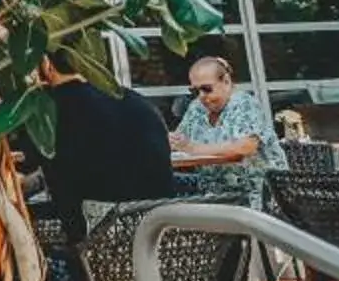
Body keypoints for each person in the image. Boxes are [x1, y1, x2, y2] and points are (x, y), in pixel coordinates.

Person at [21, 62, 175, 249]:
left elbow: (22, 179)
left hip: (95, 252)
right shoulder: (135, 100)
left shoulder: (45, 113)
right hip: (165, 244)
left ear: (46, 64)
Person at [172, 56, 284, 171]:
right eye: (195, 91)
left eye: (207, 89)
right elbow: (179, 141)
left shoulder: (244, 104)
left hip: (260, 185)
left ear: (226, 81)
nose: (201, 96)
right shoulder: (197, 108)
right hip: (212, 185)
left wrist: (194, 148)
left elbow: (244, 147)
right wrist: (171, 141)